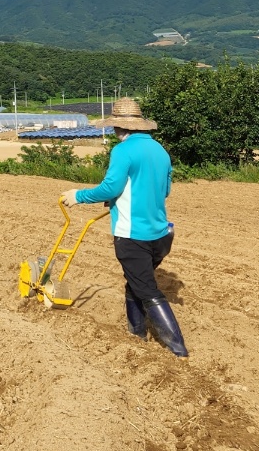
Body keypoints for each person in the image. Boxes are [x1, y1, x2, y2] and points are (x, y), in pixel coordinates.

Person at [61, 98, 187, 357]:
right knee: (135, 283)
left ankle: (178, 350)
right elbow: (164, 190)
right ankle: (136, 334)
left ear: (118, 126)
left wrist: (78, 196)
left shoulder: (123, 150)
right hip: (161, 234)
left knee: (147, 289)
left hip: (132, 235)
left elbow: (111, 187)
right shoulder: (160, 150)